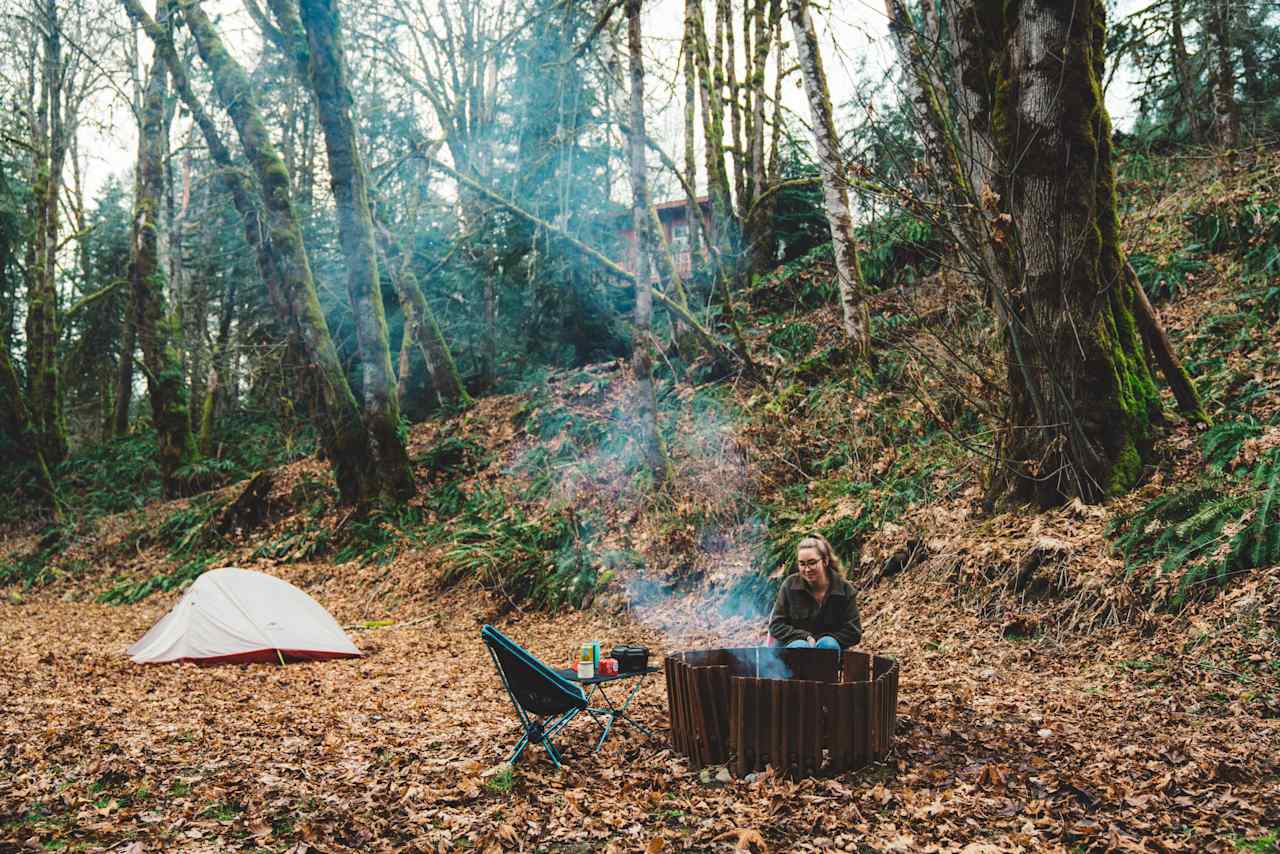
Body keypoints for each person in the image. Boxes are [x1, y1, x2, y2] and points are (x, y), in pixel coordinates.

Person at [768, 534, 862, 650]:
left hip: (830, 651)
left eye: (812, 563)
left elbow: (854, 632)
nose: (807, 569)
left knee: (827, 644)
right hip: (795, 646)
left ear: (825, 561)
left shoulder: (844, 590)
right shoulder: (789, 586)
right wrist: (805, 637)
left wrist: (823, 639)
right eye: (802, 564)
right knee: (800, 646)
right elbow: (776, 625)